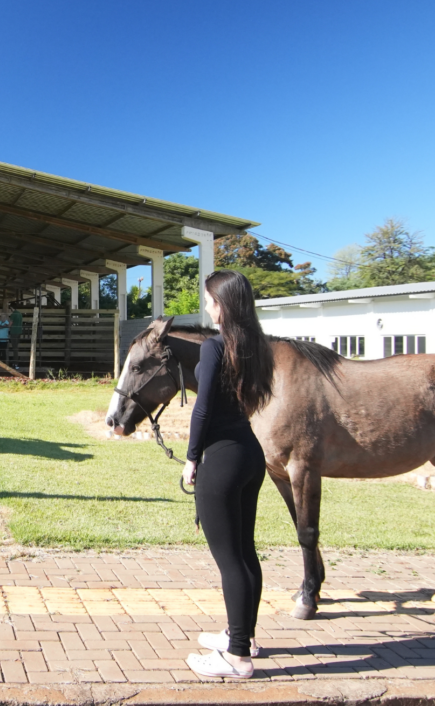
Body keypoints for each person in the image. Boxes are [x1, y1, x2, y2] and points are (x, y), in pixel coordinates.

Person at [182, 270, 274, 680]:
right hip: (250, 455)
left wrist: (191, 457)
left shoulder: (214, 348)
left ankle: (237, 658)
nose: (206, 307)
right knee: (245, 552)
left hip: (221, 459)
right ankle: (244, 636)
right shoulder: (256, 347)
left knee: (229, 561)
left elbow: (202, 410)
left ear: (223, 304)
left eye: (209, 300)